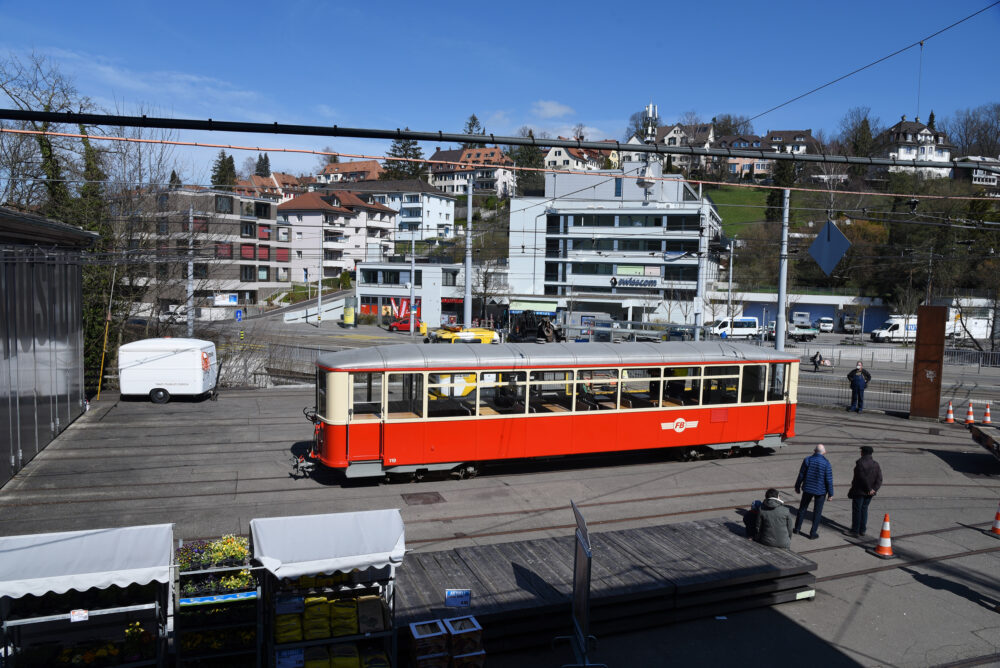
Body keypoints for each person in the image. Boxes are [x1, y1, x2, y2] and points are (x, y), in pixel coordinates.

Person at [794, 444, 834, 539]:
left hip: (807, 489)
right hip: (820, 491)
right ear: (824, 452)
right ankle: (812, 533)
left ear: (814, 451)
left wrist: (797, 486)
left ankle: (797, 529)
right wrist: (830, 494)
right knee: (817, 512)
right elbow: (829, 480)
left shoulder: (807, 460)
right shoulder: (826, 463)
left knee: (802, 509)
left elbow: (801, 474)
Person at [847, 445, 883, 536]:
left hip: (859, 491)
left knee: (857, 511)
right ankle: (862, 529)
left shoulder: (860, 463)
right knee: (864, 510)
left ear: (863, 453)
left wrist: (869, 489)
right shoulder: (876, 464)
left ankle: (855, 530)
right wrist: (874, 489)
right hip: (870, 493)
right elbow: (879, 479)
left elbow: (862, 478)